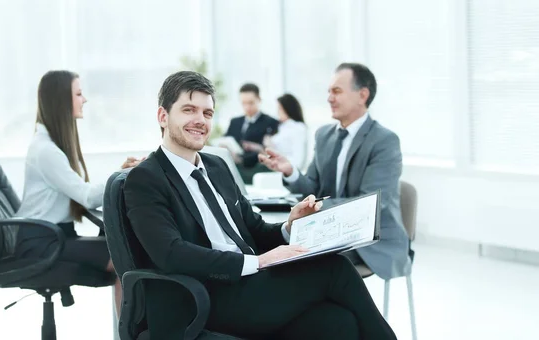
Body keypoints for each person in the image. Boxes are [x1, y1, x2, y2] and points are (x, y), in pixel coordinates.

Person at [123, 71, 397, 339]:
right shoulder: (146, 178)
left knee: (339, 323)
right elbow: (170, 253)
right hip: (207, 296)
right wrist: (257, 261)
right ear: (163, 116)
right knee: (335, 269)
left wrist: (290, 226)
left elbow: (252, 228)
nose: (200, 120)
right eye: (189, 110)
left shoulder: (217, 166)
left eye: (207, 113)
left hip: (250, 286)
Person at [259, 63, 411, 281]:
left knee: (307, 265)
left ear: (362, 95)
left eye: (337, 91)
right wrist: (291, 172)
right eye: (328, 92)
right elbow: (313, 187)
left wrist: (318, 208)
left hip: (372, 240)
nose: (329, 98)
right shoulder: (324, 135)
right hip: (329, 231)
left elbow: (370, 203)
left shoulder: (384, 141)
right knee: (275, 252)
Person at [14, 70, 140, 316]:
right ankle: (131, 332)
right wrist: (121, 175)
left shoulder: (51, 145)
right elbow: (87, 196)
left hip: (51, 236)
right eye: (79, 94)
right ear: (61, 99)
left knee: (126, 253)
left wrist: (120, 173)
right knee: (127, 257)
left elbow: (82, 193)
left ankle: (129, 330)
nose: (85, 99)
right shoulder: (46, 150)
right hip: (42, 243)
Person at [223, 83, 279, 183]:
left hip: (256, 170)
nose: (247, 107)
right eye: (244, 103)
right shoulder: (235, 121)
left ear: (259, 100)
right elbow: (227, 140)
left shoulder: (270, 122)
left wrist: (256, 148)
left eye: (251, 103)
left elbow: (271, 149)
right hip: (233, 168)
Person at [242, 93, 308, 169]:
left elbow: (298, 160)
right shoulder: (281, 127)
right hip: (273, 166)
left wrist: (270, 146)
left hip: (284, 169)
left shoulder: (298, 127)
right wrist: (260, 148)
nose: (277, 112)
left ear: (288, 109)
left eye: (280, 108)